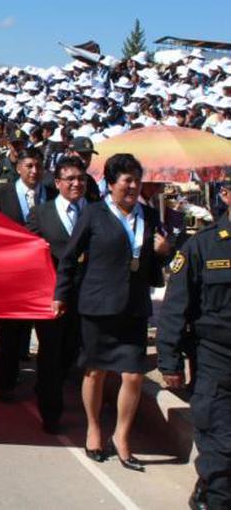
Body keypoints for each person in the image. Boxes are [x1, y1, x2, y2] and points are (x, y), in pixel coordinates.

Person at [55, 153, 169, 470]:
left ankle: (122, 436)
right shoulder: (93, 214)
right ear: (110, 183)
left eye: (137, 179)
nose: (133, 186)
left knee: (133, 375)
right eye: (127, 180)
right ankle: (93, 428)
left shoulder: (148, 215)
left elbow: (152, 265)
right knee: (96, 371)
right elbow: (68, 258)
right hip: (98, 306)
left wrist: (162, 252)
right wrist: (61, 295)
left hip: (133, 307)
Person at [157, 173, 231, 509]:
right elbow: (175, 309)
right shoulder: (202, 246)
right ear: (227, 195)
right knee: (222, 451)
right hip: (217, 365)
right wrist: (169, 361)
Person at [26, 155, 87, 433]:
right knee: (50, 354)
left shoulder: (96, 212)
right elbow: (28, 249)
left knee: (69, 354)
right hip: (51, 297)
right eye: (70, 179)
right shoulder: (42, 213)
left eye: (81, 179)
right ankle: (51, 412)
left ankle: (51, 384)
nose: (76, 184)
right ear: (58, 182)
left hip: (85, 297)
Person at [0, 146, 50, 402]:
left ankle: (46, 383)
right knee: (10, 330)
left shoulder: (53, 195)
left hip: (45, 274)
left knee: (47, 334)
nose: (34, 171)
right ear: (18, 167)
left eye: (38, 166)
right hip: (12, 274)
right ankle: (6, 381)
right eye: (29, 166)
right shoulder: (2, 193)